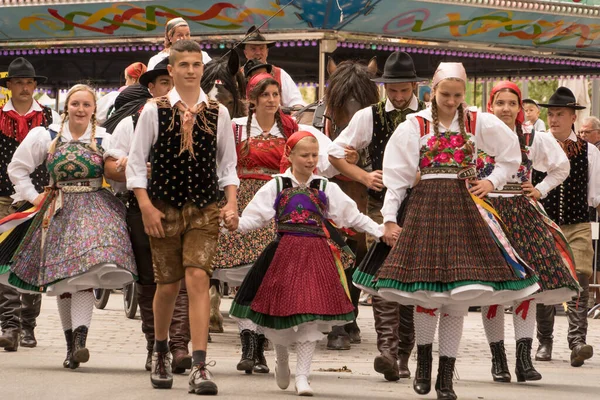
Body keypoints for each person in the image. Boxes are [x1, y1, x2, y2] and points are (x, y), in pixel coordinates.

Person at [374, 62, 539, 400]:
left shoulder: (478, 121)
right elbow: (397, 177)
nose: (451, 101)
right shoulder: (415, 125)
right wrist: (389, 217)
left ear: (465, 93)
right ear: (431, 92)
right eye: (445, 94)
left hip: (465, 210)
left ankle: (445, 376)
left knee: (459, 297)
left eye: (457, 95)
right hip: (426, 210)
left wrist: (491, 181)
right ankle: (422, 364)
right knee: (427, 294)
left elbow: (511, 155)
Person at [228, 130, 383, 396]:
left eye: (314, 155)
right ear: (290, 156)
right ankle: (282, 359)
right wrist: (234, 224)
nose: (311, 160)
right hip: (283, 255)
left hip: (316, 256)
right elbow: (254, 218)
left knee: (310, 314)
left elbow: (351, 215)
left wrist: (379, 230)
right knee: (282, 312)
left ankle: (303, 376)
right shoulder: (277, 185)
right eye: (305, 155)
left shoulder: (324, 187)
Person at [126, 39, 239, 395]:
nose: (191, 70)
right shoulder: (153, 110)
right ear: (171, 70)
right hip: (164, 208)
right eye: (184, 64)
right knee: (168, 285)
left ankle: (201, 365)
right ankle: (160, 350)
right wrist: (145, 206)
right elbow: (135, 163)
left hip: (204, 209)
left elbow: (228, 165)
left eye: (196, 64)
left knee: (197, 279)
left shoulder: (218, 112)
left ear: (202, 69)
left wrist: (231, 203)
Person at [5, 83, 137, 369]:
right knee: (65, 282)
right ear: (67, 107)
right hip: (58, 209)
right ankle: (71, 346)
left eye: (86, 105)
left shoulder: (105, 138)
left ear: (93, 109)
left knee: (86, 277)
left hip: (93, 208)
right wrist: (33, 196)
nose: (80, 109)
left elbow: (116, 179)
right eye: (75, 104)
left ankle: (79, 341)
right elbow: (17, 169)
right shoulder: (46, 135)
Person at [328, 51, 425, 381]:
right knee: (384, 269)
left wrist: (420, 176)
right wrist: (363, 176)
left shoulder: (428, 118)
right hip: (378, 205)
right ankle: (388, 350)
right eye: (392, 90)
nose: (397, 97)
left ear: (414, 85)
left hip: (419, 205)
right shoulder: (368, 116)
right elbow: (335, 153)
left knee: (410, 277)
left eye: (403, 90)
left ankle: (402, 354)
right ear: (384, 87)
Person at [478, 81, 579, 383]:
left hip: (520, 213)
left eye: (512, 103)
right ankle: (498, 360)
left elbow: (561, 167)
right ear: (491, 106)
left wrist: (539, 189)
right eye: (500, 103)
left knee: (528, 288)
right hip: (486, 214)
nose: (506, 108)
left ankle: (524, 360)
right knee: (491, 291)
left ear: (520, 107)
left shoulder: (532, 135)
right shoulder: (476, 135)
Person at [103, 59, 194, 374]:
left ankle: (180, 346)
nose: (170, 89)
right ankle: (155, 346)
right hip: (141, 207)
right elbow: (111, 167)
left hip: (183, 206)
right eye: (164, 84)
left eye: (175, 83)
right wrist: (134, 167)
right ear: (151, 88)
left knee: (180, 276)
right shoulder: (131, 122)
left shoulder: (195, 118)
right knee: (148, 278)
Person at [532, 87, 600, 367]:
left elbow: (595, 195)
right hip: (543, 224)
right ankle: (545, 341)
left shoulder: (590, 151)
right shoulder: (537, 144)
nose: (555, 119)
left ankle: (577, 342)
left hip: (577, 224)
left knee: (581, 280)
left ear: (573, 117)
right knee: (546, 281)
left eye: (560, 114)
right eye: (552, 114)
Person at [0, 57, 60, 351]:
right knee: (3, 261)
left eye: (29, 82)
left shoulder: (51, 118)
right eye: (19, 82)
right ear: (9, 86)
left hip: (39, 197)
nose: (25, 88)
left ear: (35, 85)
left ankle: (28, 325)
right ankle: (9, 325)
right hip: (2, 197)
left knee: (34, 260)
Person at [242, 26, 305, 108]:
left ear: (267, 51)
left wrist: (295, 111)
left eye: (261, 48)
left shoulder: (280, 73)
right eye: (253, 49)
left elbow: (296, 102)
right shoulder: (237, 75)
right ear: (245, 53)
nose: (258, 53)